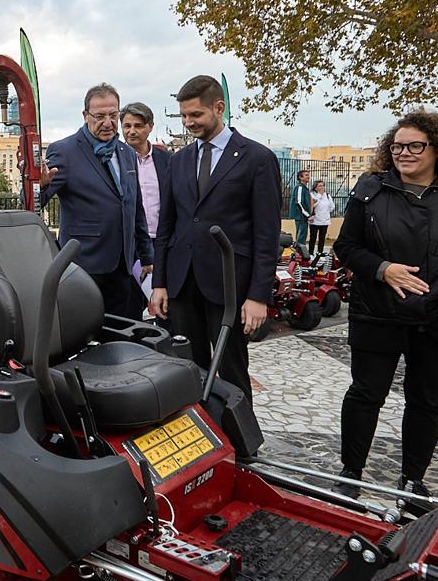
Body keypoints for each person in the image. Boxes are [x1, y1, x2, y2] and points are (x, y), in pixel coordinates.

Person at [332, 111, 438, 500]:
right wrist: (382, 268)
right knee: (365, 394)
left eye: (414, 146)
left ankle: (413, 479)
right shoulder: (369, 189)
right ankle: (350, 471)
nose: (403, 153)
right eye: (396, 146)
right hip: (377, 312)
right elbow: (347, 246)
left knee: (426, 399)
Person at [149, 75, 281, 408]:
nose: (188, 122)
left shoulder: (257, 158)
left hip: (230, 284)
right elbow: (168, 225)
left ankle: (241, 446)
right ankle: (199, 441)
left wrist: (258, 296)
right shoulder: (178, 161)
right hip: (182, 283)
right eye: (184, 116)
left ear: (218, 108)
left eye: (195, 115)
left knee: (233, 370)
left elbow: (266, 234)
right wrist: (160, 283)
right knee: (186, 369)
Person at [41, 83, 152, 319]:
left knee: (122, 336)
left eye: (113, 115)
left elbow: (135, 208)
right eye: (100, 116)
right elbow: (32, 203)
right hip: (83, 266)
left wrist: (146, 257)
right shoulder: (64, 151)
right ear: (85, 116)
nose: (108, 123)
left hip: (123, 267)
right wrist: (39, 185)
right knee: (82, 339)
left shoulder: (127, 153)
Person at [121, 101, 171, 300]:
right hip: (129, 245)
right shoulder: (114, 159)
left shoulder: (167, 160)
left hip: (161, 242)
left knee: (164, 302)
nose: (132, 131)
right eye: (127, 126)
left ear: (150, 126)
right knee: (132, 303)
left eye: (138, 126)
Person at [308, 179, 335, 256]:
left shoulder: (327, 195)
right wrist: (319, 195)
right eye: (319, 186)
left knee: (322, 238)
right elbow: (313, 205)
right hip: (315, 220)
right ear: (315, 187)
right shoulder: (312, 194)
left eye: (323, 185)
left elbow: (331, 206)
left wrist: (326, 211)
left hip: (325, 220)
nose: (322, 187)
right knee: (313, 237)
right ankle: (310, 253)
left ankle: (320, 252)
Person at [290, 170, 312, 248]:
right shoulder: (299, 187)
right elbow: (299, 202)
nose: (308, 176)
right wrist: (308, 215)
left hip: (303, 217)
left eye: (308, 175)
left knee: (303, 236)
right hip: (300, 216)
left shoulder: (305, 188)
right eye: (306, 175)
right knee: (300, 237)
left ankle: (300, 254)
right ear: (300, 177)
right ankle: (298, 254)